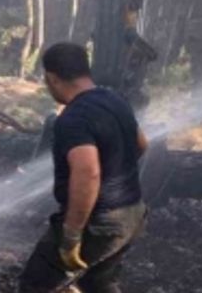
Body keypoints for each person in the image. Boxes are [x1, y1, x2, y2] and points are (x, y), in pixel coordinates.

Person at [18, 42, 149, 293]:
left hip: (100, 223)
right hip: (133, 215)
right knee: (98, 284)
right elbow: (142, 144)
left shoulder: (73, 117)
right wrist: (115, 174)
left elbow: (88, 173)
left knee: (36, 284)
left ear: (52, 78)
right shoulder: (116, 101)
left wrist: (71, 235)